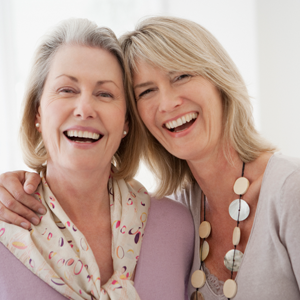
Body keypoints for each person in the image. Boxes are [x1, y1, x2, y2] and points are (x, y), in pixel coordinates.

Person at [1, 15, 300, 299]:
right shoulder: (189, 211)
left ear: (125, 123)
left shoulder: (284, 191)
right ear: (36, 113)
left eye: (181, 75)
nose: (168, 103)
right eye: (146, 91)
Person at [0, 18, 194, 300]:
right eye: (67, 90)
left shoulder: (177, 227)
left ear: (126, 121)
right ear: (37, 113)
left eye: (105, 94)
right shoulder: (6, 226)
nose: (85, 108)